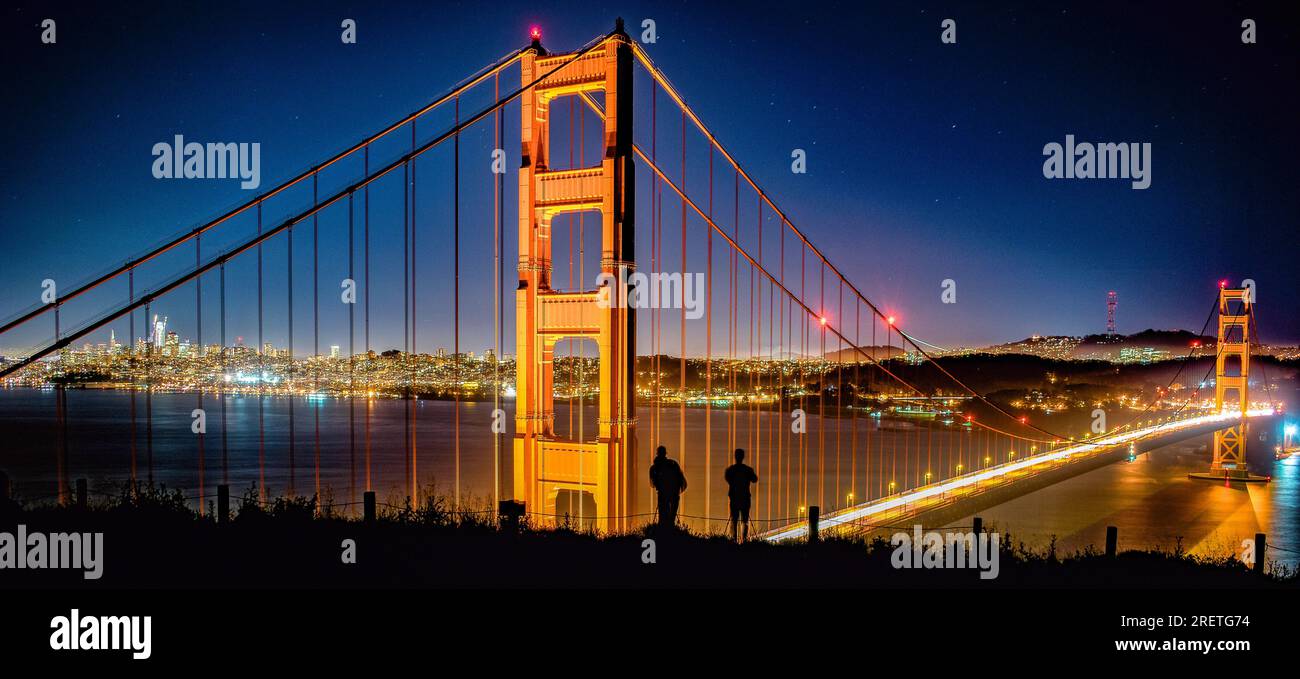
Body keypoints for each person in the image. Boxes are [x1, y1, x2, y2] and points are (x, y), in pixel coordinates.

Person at [724, 448, 758, 542]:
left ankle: (734, 539)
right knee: (745, 520)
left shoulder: (730, 470)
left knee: (734, 520)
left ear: (735, 457)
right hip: (745, 498)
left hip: (734, 498)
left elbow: (728, 479)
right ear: (743, 457)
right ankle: (744, 540)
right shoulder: (748, 470)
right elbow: (755, 479)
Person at [649, 445, 687, 528]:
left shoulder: (655, 467)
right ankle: (670, 529)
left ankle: (664, 531)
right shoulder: (673, 464)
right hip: (674, 493)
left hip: (663, 494)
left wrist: (661, 486)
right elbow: (680, 480)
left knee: (663, 513)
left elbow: (654, 482)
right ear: (665, 454)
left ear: (657, 454)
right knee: (671, 514)